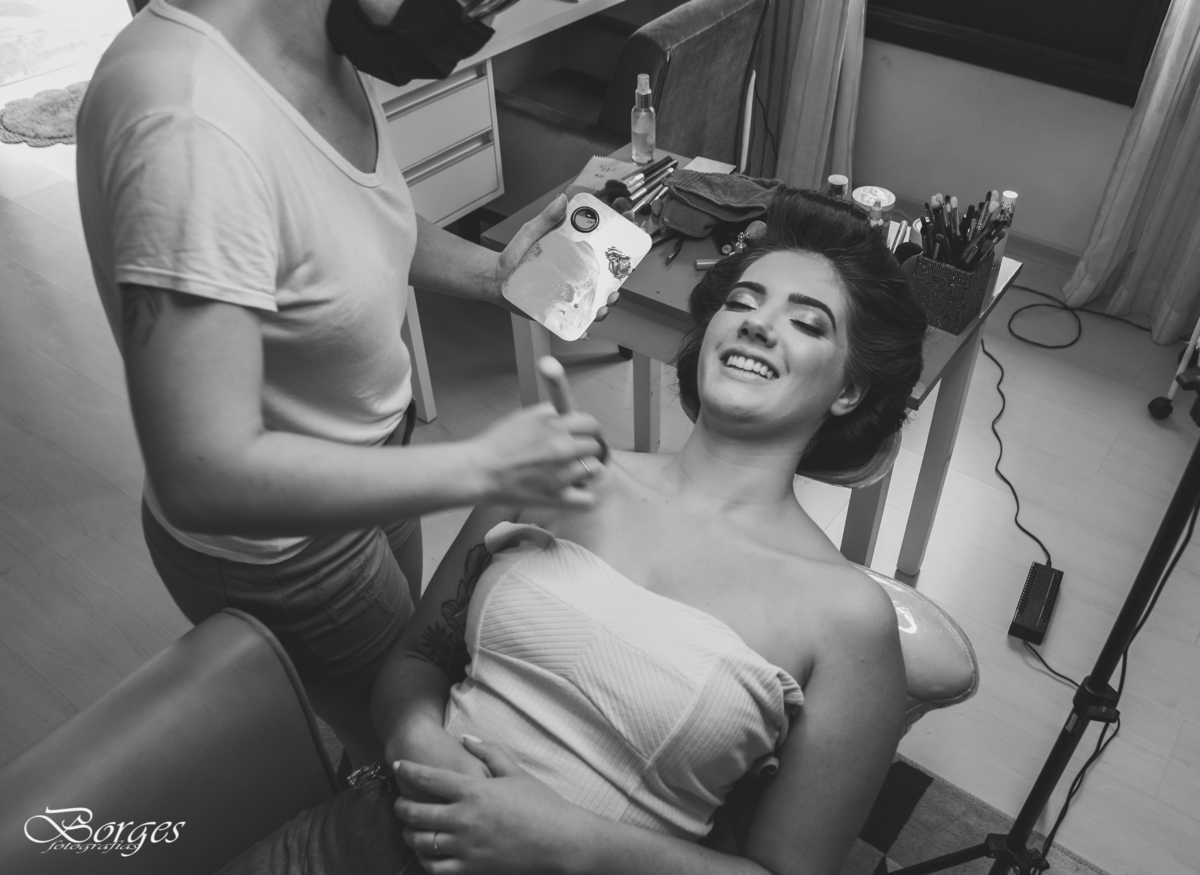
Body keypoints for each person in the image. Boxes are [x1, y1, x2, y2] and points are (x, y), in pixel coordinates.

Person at [218, 188, 930, 875]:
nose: (756, 324)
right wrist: (416, 738)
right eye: (742, 302)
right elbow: (414, 662)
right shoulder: (552, 467)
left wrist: (573, 845)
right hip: (364, 835)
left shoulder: (848, 618)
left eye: (807, 323)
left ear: (848, 389)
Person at [74, 0, 616, 767]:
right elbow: (202, 472)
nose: (476, 16)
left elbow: (345, 222)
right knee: (407, 740)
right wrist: (485, 466)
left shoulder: (318, 41)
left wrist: (496, 276)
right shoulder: (189, 127)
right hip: (287, 539)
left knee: (400, 690)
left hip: (373, 462)